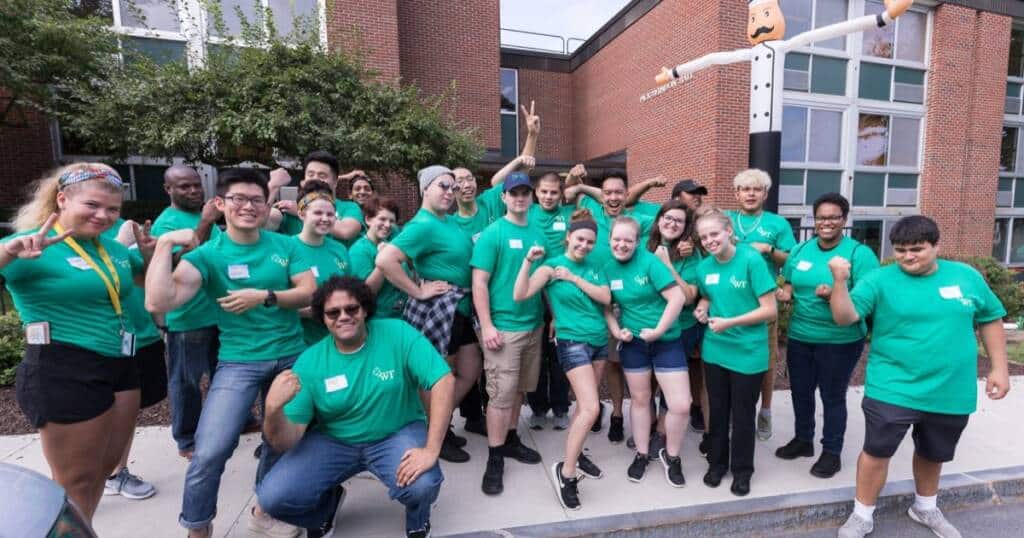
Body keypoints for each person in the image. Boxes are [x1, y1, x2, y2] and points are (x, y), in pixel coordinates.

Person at [146, 168, 316, 538]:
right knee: (210, 450)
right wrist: (162, 247)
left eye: (256, 199)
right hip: (240, 361)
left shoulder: (285, 246)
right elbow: (159, 300)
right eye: (238, 199)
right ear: (220, 204)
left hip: (291, 357)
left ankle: (264, 509)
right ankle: (197, 526)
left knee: (281, 440)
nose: (248, 206)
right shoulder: (208, 255)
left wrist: (265, 296)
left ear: (266, 205)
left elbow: (308, 292)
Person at [829, 215, 1010, 538]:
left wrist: (999, 368)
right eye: (900, 250)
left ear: (936, 246)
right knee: (877, 450)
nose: (908, 257)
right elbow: (845, 317)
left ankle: (925, 507)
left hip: (950, 388)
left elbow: (990, 318)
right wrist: (840, 283)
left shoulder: (966, 277)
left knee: (933, 451)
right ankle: (862, 514)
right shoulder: (879, 280)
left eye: (917, 249)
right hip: (893, 385)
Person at [1, 163, 145, 523]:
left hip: (121, 363)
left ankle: (84, 529)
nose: (104, 215)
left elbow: (138, 279)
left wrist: (156, 254)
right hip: (64, 366)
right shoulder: (30, 243)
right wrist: (9, 252)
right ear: (62, 199)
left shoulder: (111, 249)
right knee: (74, 480)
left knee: (102, 469)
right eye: (92, 205)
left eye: (112, 209)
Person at [257, 276, 453, 538]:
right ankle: (327, 507)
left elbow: (443, 380)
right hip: (335, 441)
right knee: (272, 498)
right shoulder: (310, 361)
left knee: (423, 484)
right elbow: (286, 441)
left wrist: (431, 449)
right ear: (323, 318)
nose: (343, 316)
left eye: (352, 308)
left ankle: (418, 519)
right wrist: (272, 410)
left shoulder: (397, 332)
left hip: (395, 432)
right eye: (333, 312)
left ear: (365, 309)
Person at [774, 193, 879, 478]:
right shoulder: (801, 250)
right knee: (801, 391)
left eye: (833, 217)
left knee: (832, 396)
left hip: (840, 339)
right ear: (814, 219)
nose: (827, 222)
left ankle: (831, 452)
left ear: (844, 220)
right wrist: (784, 294)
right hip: (801, 335)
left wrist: (836, 292)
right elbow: (792, 286)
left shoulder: (859, 254)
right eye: (821, 217)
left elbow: (870, 297)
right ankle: (803, 440)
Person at [376, 165, 476, 464]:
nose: (449, 192)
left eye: (453, 187)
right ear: (425, 189)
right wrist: (417, 291)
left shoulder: (446, 221)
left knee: (470, 370)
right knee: (437, 378)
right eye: (443, 186)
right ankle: (436, 434)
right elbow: (385, 260)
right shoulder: (423, 225)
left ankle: (438, 423)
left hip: (459, 307)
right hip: (439, 309)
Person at [513, 208, 611, 509]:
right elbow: (521, 294)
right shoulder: (552, 266)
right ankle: (566, 472)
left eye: (590, 242)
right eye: (580, 239)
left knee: (584, 407)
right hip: (572, 342)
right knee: (592, 408)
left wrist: (575, 279)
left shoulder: (596, 264)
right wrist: (528, 262)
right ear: (568, 237)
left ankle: (577, 453)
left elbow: (607, 298)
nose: (584, 246)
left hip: (599, 342)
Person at [471, 172, 547, 495]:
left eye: (524, 193)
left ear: (531, 197)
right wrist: (487, 325)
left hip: (534, 325)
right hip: (503, 328)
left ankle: (512, 438)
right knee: (500, 396)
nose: (519, 198)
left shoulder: (538, 230)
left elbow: (545, 275)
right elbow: (479, 283)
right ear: (503, 197)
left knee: (518, 390)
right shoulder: (492, 234)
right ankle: (495, 456)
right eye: (513, 193)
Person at [694, 211, 778, 497]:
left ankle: (743, 471)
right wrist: (703, 307)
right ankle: (717, 464)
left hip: (748, 351)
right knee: (717, 412)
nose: (709, 240)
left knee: (742, 415)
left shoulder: (751, 260)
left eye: (714, 234)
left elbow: (770, 310)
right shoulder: (704, 267)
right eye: (704, 237)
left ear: (728, 230)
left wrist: (730, 322)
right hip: (715, 350)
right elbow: (709, 295)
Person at [567, 174, 655, 444]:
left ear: (627, 194)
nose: (614, 198)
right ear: (600, 195)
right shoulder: (591, 214)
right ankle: (617, 414)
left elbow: (675, 220)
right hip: (601, 301)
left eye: (619, 192)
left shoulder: (642, 217)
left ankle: (646, 417)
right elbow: (571, 192)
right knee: (613, 365)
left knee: (641, 365)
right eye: (608, 193)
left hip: (634, 301)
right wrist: (582, 185)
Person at [601, 216, 689, 485]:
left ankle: (671, 456)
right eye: (617, 239)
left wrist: (660, 330)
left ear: (637, 242)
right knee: (640, 400)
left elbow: (678, 297)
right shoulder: (607, 268)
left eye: (628, 240)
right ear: (610, 240)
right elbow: (605, 305)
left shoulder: (650, 262)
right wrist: (616, 330)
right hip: (634, 344)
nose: (622, 244)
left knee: (681, 404)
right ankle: (641, 453)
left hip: (666, 340)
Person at [150, 165, 230, 459]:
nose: (194, 191)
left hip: (218, 314)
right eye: (184, 186)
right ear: (168, 189)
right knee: (186, 381)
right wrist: (207, 221)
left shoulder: (201, 217)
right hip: (188, 318)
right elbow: (178, 260)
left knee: (225, 374)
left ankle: (234, 421)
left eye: (197, 185)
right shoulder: (166, 224)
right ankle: (187, 438)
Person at [724, 168, 796, 442]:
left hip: (761, 302)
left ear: (765, 194)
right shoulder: (727, 219)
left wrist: (768, 250)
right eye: (745, 189)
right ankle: (735, 410)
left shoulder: (777, 224)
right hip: (729, 301)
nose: (750, 194)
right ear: (736, 193)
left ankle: (764, 410)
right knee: (729, 357)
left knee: (765, 360)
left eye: (756, 189)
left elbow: (791, 261)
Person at [102, 219, 167, 501]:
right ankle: (86, 478)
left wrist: (159, 325)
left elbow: (145, 280)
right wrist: (120, 242)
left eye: (111, 203)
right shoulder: (59, 239)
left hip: (141, 334)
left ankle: (118, 471)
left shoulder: (129, 227)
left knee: (128, 411)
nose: (102, 211)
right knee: (92, 414)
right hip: (99, 343)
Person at [646, 201, 705, 451]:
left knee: (671, 384)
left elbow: (690, 296)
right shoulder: (642, 248)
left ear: (685, 227)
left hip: (681, 327)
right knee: (646, 383)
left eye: (679, 221)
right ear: (659, 220)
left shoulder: (691, 255)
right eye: (668, 218)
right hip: (648, 325)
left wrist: (667, 265)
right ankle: (649, 426)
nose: (672, 224)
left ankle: (661, 432)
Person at [525, 169, 578, 431]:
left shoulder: (568, 215)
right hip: (533, 293)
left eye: (554, 192)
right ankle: (537, 407)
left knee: (560, 354)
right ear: (536, 192)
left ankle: (560, 407)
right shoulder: (526, 214)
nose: (548, 196)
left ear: (561, 194)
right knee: (536, 354)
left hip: (561, 294)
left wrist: (575, 183)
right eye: (543, 191)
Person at [289, 180, 352, 345]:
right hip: (297, 343)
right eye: (317, 213)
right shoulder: (285, 248)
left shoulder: (339, 249)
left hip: (335, 341)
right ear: (302, 214)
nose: (325, 219)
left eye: (330, 215)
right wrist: (302, 311)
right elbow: (271, 301)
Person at [266, 151, 364, 246]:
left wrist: (304, 212)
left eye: (322, 175)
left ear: (335, 182)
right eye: (310, 174)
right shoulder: (287, 208)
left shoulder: (349, 207)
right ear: (304, 180)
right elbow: (261, 223)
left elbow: (346, 231)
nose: (315, 179)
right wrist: (272, 187)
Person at [348, 196, 409, 319]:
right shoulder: (359, 250)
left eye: (392, 221)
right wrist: (383, 261)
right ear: (368, 219)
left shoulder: (392, 244)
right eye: (382, 219)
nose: (387, 225)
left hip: (402, 316)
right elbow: (365, 293)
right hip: (378, 319)